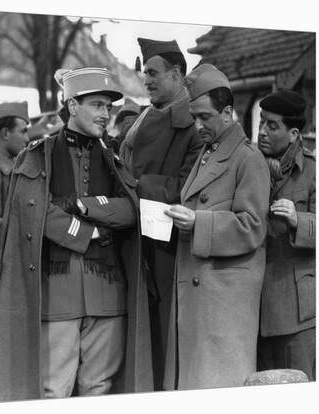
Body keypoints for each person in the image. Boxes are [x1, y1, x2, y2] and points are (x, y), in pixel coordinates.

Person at [0, 67, 153, 402]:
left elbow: (132, 210)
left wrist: (82, 205)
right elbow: (32, 211)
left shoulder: (113, 158)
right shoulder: (37, 155)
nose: (105, 114)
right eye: (97, 105)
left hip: (108, 295)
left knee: (100, 391)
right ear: (72, 105)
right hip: (56, 296)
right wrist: (89, 234)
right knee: (53, 391)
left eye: (108, 107)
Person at [163, 64, 270, 390]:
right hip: (202, 299)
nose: (197, 126)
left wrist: (198, 221)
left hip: (224, 307)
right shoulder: (209, 153)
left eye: (204, 117)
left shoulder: (248, 158)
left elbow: (253, 226)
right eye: (194, 117)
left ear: (227, 113)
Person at [119, 38, 202, 389]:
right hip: (136, 240)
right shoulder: (142, 120)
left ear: (177, 73)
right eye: (143, 73)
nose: (146, 80)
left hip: (170, 248)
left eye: (153, 73)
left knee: (165, 339)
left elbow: (188, 189)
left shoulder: (196, 124)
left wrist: (132, 185)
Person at [256, 90, 316, 380]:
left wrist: (298, 220)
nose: (262, 132)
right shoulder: (251, 166)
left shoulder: (315, 173)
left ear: (293, 134)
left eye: (272, 126)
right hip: (255, 309)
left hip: (299, 314)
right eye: (260, 122)